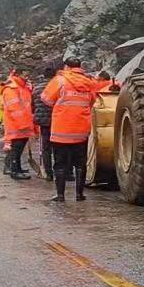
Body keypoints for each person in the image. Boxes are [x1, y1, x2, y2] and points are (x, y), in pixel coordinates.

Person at [41, 57, 112, 204]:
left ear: (66, 66)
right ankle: (79, 195)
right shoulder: (89, 82)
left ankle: (60, 195)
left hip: (61, 130)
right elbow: (92, 101)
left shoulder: (59, 80)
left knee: (60, 164)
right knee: (80, 163)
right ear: (80, 67)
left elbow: (45, 99)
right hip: (81, 131)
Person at [0, 68, 35, 180]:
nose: (27, 77)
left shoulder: (21, 87)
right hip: (17, 125)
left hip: (22, 123)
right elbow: (14, 109)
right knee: (16, 149)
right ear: (18, 75)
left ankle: (15, 168)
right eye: (25, 75)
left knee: (17, 149)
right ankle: (14, 170)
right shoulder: (12, 89)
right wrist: (23, 124)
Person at [32, 58, 59, 181]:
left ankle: (48, 173)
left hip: (43, 122)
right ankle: (62, 171)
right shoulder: (58, 87)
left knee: (46, 148)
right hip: (58, 121)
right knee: (59, 147)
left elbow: (33, 105)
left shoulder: (37, 88)